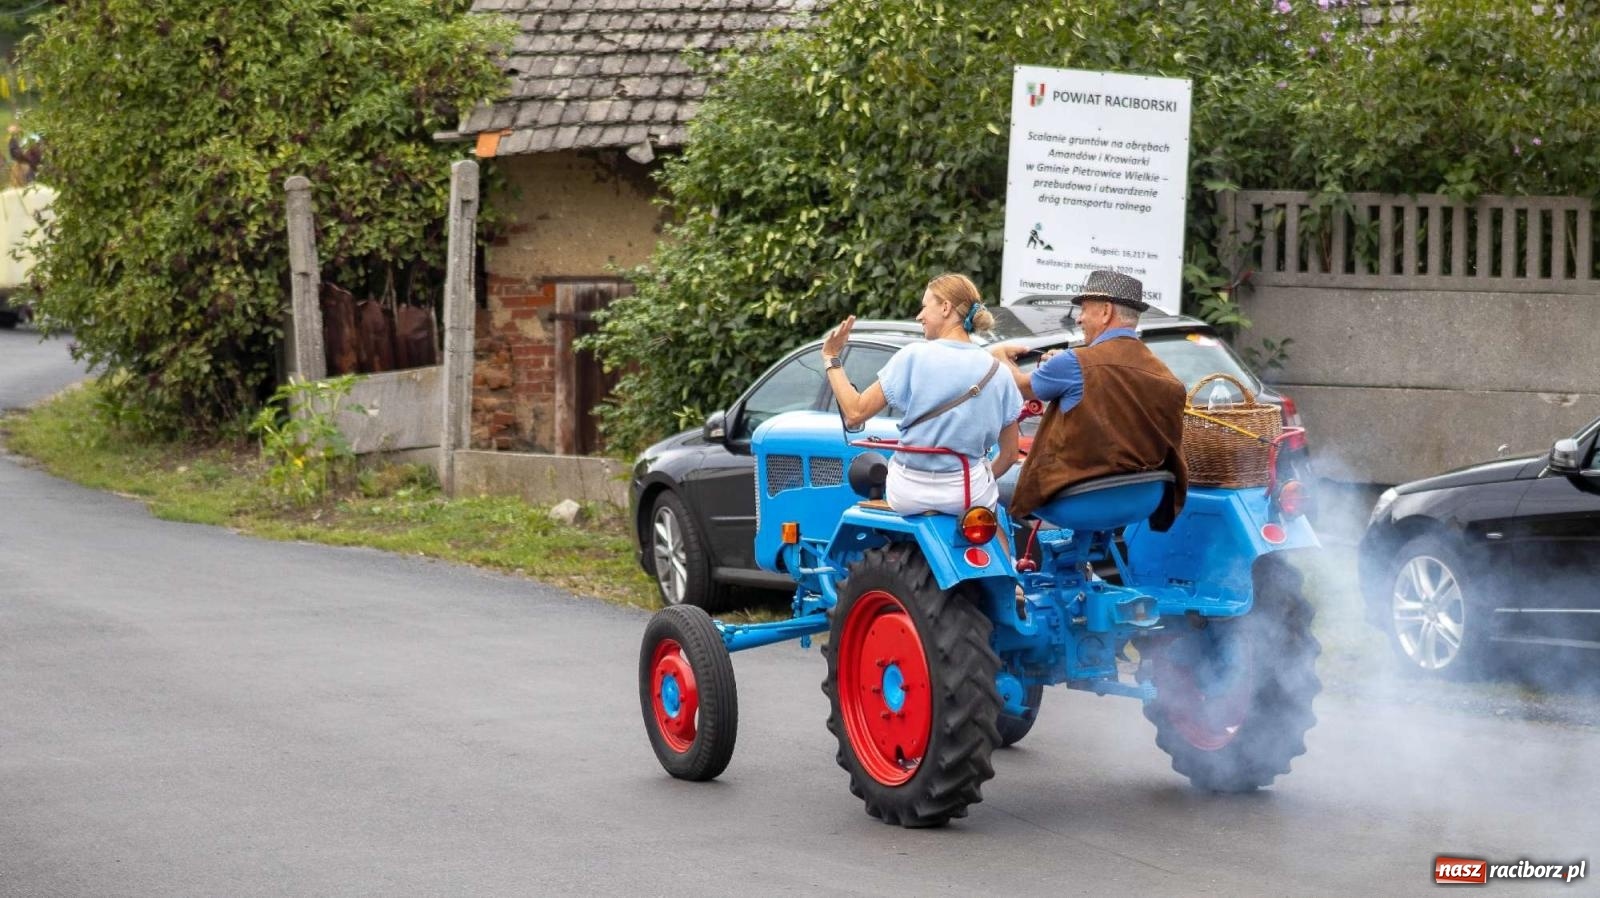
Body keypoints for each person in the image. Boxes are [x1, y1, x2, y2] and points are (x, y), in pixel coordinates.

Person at [990, 269, 1189, 530]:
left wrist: (998, 355)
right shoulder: (1167, 377)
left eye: (1084, 309)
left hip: (1078, 497)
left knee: (984, 483)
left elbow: (1022, 387)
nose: (1080, 319)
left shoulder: (1075, 362)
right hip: (1143, 497)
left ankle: (1003, 562)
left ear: (1106, 312)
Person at [822, 273, 1023, 515]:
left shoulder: (913, 356)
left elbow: (854, 414)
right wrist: (982, 477)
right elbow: (1010, 454)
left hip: (908, 493)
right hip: (967, 495)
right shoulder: (998, 372)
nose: (919, 316)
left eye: (925, 306)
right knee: (996, 522)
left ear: (946, 307)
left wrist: (831, 357)